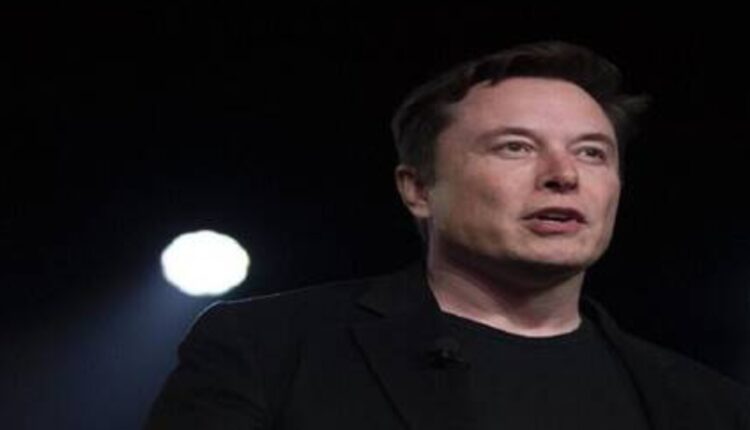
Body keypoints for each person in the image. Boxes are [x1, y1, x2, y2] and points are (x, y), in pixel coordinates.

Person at [146, 41, 750, 429]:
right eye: (515, 147)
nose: (563, 175)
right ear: (417, 189)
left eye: (592, 152)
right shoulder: (266, 348)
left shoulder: (709, 405)